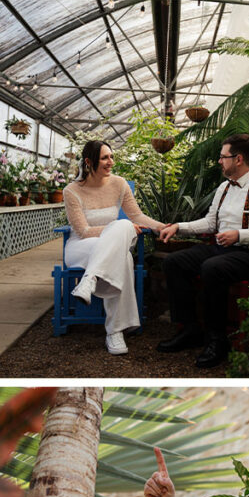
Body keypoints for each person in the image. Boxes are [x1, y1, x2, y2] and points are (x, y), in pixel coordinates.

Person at [157, 133, 249, 368]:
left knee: (212, 268)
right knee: (173, 262)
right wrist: (178, 227)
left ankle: (217, 340)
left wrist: (240, 234)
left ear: (238, 159)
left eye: (222, 157)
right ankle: (190, 329)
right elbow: (210, 223)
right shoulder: (224, 188)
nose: (219, 161)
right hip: (221, 250)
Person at [62, 140, 166, 355]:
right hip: (81, 246)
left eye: (111, 156)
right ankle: (115, 332)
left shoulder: (119, 184)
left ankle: (89, 280)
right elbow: (82, 231)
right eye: (105, 158)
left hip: (108, 247)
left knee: (125, 230)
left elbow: (136, 215)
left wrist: (161, 227)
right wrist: (117, 229)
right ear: (89, 162)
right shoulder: (71, 190)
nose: (111, 162)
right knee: (124, 244)